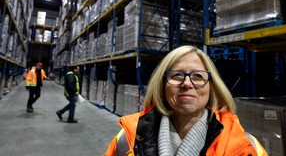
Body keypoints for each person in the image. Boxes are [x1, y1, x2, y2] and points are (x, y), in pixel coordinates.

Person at [104, 45, 268, 156]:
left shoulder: (247, 147)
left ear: (212, 87)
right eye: (177, 75)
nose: (187, 84)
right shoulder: (127, 140)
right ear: (162, 86)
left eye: (198, 76)